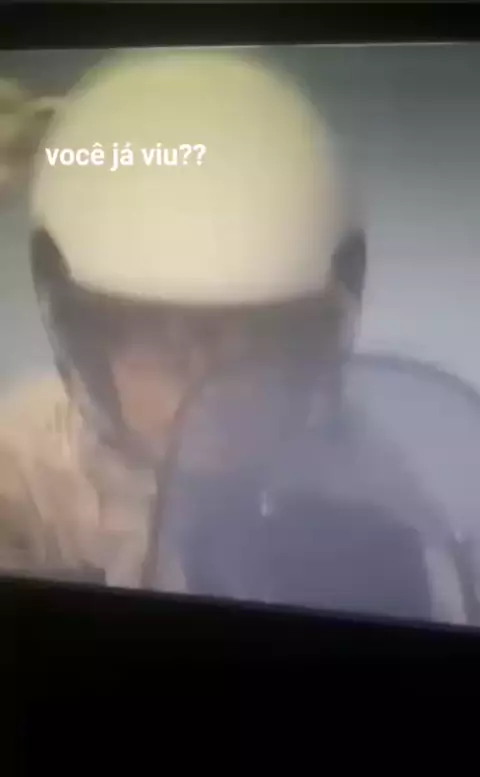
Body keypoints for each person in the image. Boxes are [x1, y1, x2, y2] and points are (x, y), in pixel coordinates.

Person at [0, 50, 474, 624]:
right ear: (87, 344)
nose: (211, 383)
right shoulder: (24, 472)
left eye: (258, 340)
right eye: (164, 340)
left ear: (313, 343)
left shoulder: (372, 494)